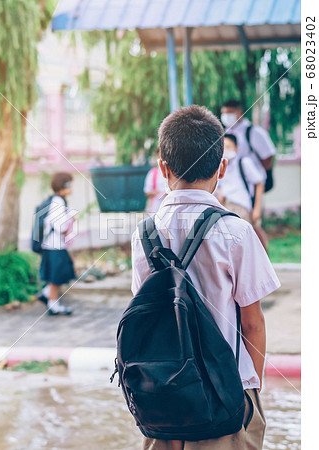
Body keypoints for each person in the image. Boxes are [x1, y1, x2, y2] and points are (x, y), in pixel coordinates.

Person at [131, 105, 280, 449]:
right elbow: (253, 324)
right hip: (225, 395)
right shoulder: (237, 232)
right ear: (222, 167)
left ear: (162, 167)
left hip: (163, 396)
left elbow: (144, 311)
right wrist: (250, 389)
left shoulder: (144, 235)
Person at [221, 99, 277, 249]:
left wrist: (253, 171)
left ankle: (264, 264)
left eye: (229, 113)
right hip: (233, 192)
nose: (225, 117)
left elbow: (268, 157)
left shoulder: (253, 132)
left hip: (250, 189)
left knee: (255, 229)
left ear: (239, 113)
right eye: (224, 113)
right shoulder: (226, 132)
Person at [37, 172, 76, 315]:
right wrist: (70, 219)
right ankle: (53, 304)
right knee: (57, 276)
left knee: (59, 273)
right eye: (70, 184)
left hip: (51, 245)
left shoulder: (56, 200)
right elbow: (61, 227)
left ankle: (46, 294)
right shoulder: (58, 202)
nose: (72, 187)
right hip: (54, 245)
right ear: (64, 185)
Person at [216, 133, 265, 228]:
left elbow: (259, 183)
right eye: (223, 147)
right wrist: (219, 192)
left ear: (236, 148)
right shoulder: (219, 166)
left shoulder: (244, 163)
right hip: (225, 207)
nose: (225, 150)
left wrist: (257, 209)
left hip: (241, 207)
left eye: (228, 146)